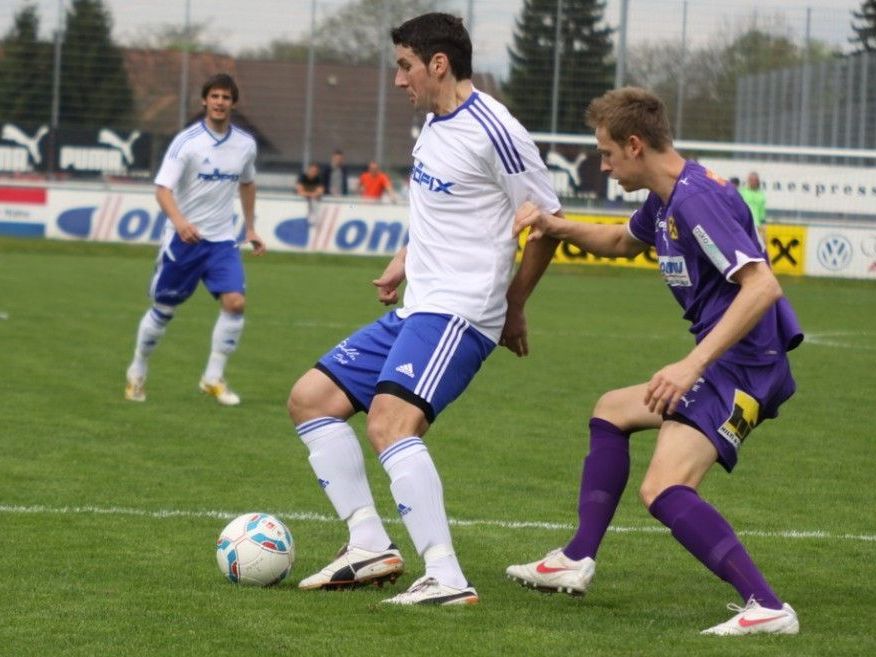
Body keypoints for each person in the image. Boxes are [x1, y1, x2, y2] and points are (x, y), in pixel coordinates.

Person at [287, 12, 562, 606]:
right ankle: (368, 544)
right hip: (418, 307)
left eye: (405, 67)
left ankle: (446, 576)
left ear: (439, 64)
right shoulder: (433, 127)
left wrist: (513, 306)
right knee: (311, 399)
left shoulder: (497, 130)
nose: (398, 81)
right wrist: (404, 260)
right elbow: (443, 211)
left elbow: (547, 225)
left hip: (461, 311)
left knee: (390, 424)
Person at [505, 87, 803, 636]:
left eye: (607, 154)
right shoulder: (668, 199)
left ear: (635, 145)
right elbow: (622, 241)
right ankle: (576, 558)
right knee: (612, 411)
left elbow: (762, 286)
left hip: (743, 365)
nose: (603, 165)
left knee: (663, 489)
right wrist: (556, 226)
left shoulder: (695, 200)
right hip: (731, 359)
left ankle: (767, 607)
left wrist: (691, 365)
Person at [124, 73, 265, 406]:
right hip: (183, 242)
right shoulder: (187, 142)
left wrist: (250, 227)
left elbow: (247, 183)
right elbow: (163, 189)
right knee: (164, 310)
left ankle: (213, 377)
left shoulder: (245, 144)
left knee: (235, 303)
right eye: (214, 96)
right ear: (205, 101)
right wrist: (180, 222)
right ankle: (137, 370)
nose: (219, 102)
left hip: (221, 241)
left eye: (226, 97)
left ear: (233, 103)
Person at [740, 171, 767, 246]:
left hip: (757, 227)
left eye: (755, 180)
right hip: (745, 225)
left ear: (757, 181)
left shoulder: (761, 195)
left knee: (756, 247)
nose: (753, 182)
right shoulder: (742, 192)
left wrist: (764, 230)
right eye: (751, 180)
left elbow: (762, 214)